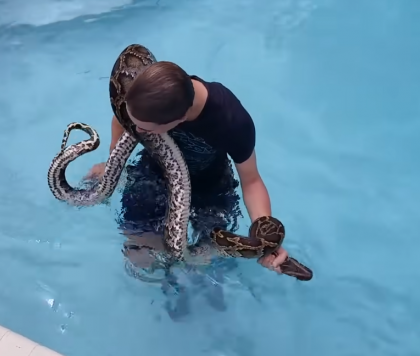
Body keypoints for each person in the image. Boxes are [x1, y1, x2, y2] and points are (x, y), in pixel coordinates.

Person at [85, 60, 288, 274]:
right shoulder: (153, 89)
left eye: (144, 128)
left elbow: (252, 181)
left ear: (180, 120)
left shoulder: (232, 121)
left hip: (210, 187)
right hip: (154, 175)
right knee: (141, 260)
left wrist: (265, 242)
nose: (135, 131)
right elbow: (122, 118)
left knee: (201, 270)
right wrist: (112, 163)